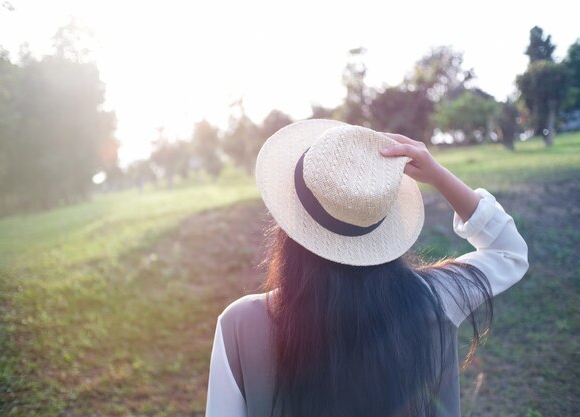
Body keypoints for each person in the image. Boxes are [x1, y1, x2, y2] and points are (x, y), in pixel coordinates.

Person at [205, 119, 528, 417]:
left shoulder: (240, 324)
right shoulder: (434, 299)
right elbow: (508, 252)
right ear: (384, 220)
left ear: (289, 220)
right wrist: (437, 175)